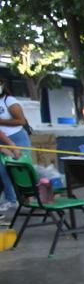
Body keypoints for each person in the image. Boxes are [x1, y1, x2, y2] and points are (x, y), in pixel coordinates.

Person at [0, 79, 31, 209]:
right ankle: (11, 199)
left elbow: (21, 121)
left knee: (21, 169)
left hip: (17, 137)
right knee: (3, 170)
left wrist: (1, 121)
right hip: (2, 139)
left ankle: (27, 198)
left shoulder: (9, 101)